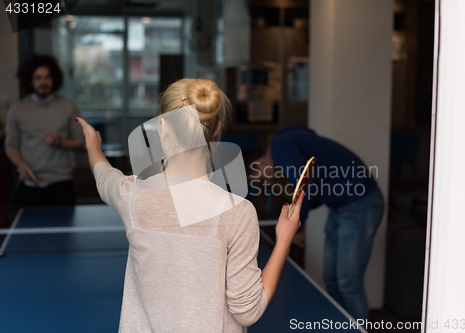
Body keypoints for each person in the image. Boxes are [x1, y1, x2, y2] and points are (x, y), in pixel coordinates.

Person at [76, 78, 303, 332]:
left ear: (162, 127)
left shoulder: (131, 194)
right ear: (216, 128)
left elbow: (104, 176)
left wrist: (92, 144)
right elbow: (248, 311)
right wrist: (284, 239)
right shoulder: (238, 213)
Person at [250, 125, 385, 321]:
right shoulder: (287, 140)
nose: (268, 182)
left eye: (262, 176)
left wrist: (298, 226)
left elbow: (306, 187)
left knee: (348, 283)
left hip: (360, 203)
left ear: (260, 162)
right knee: (331, 280)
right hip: (341, 206)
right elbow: (311, 182)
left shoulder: (279, 146)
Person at [4, 54, 84, 207]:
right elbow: (11, 145)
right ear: (30, 80)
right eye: (38, 77)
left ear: (54, 79)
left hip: (61, 183)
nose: (43, 82)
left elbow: (81, 143)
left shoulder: (69, 107)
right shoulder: (17, 110)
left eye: (47, 77)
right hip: (29, 185)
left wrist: (59, 142)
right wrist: (21, 165)